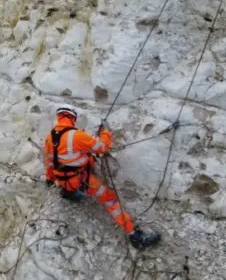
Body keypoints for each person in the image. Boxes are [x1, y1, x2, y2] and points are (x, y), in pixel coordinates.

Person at [43, 106, 161, 250]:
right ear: (72, 118)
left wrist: (49, 179)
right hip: (80, 180)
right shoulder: (77, 135)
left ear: (59, 118)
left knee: (68, 172)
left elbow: (49, 162)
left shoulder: (50, 137)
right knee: (110, 200)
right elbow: (102, 147)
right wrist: (105, 132)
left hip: (62, 179)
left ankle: (69, 193)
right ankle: (135, 236)